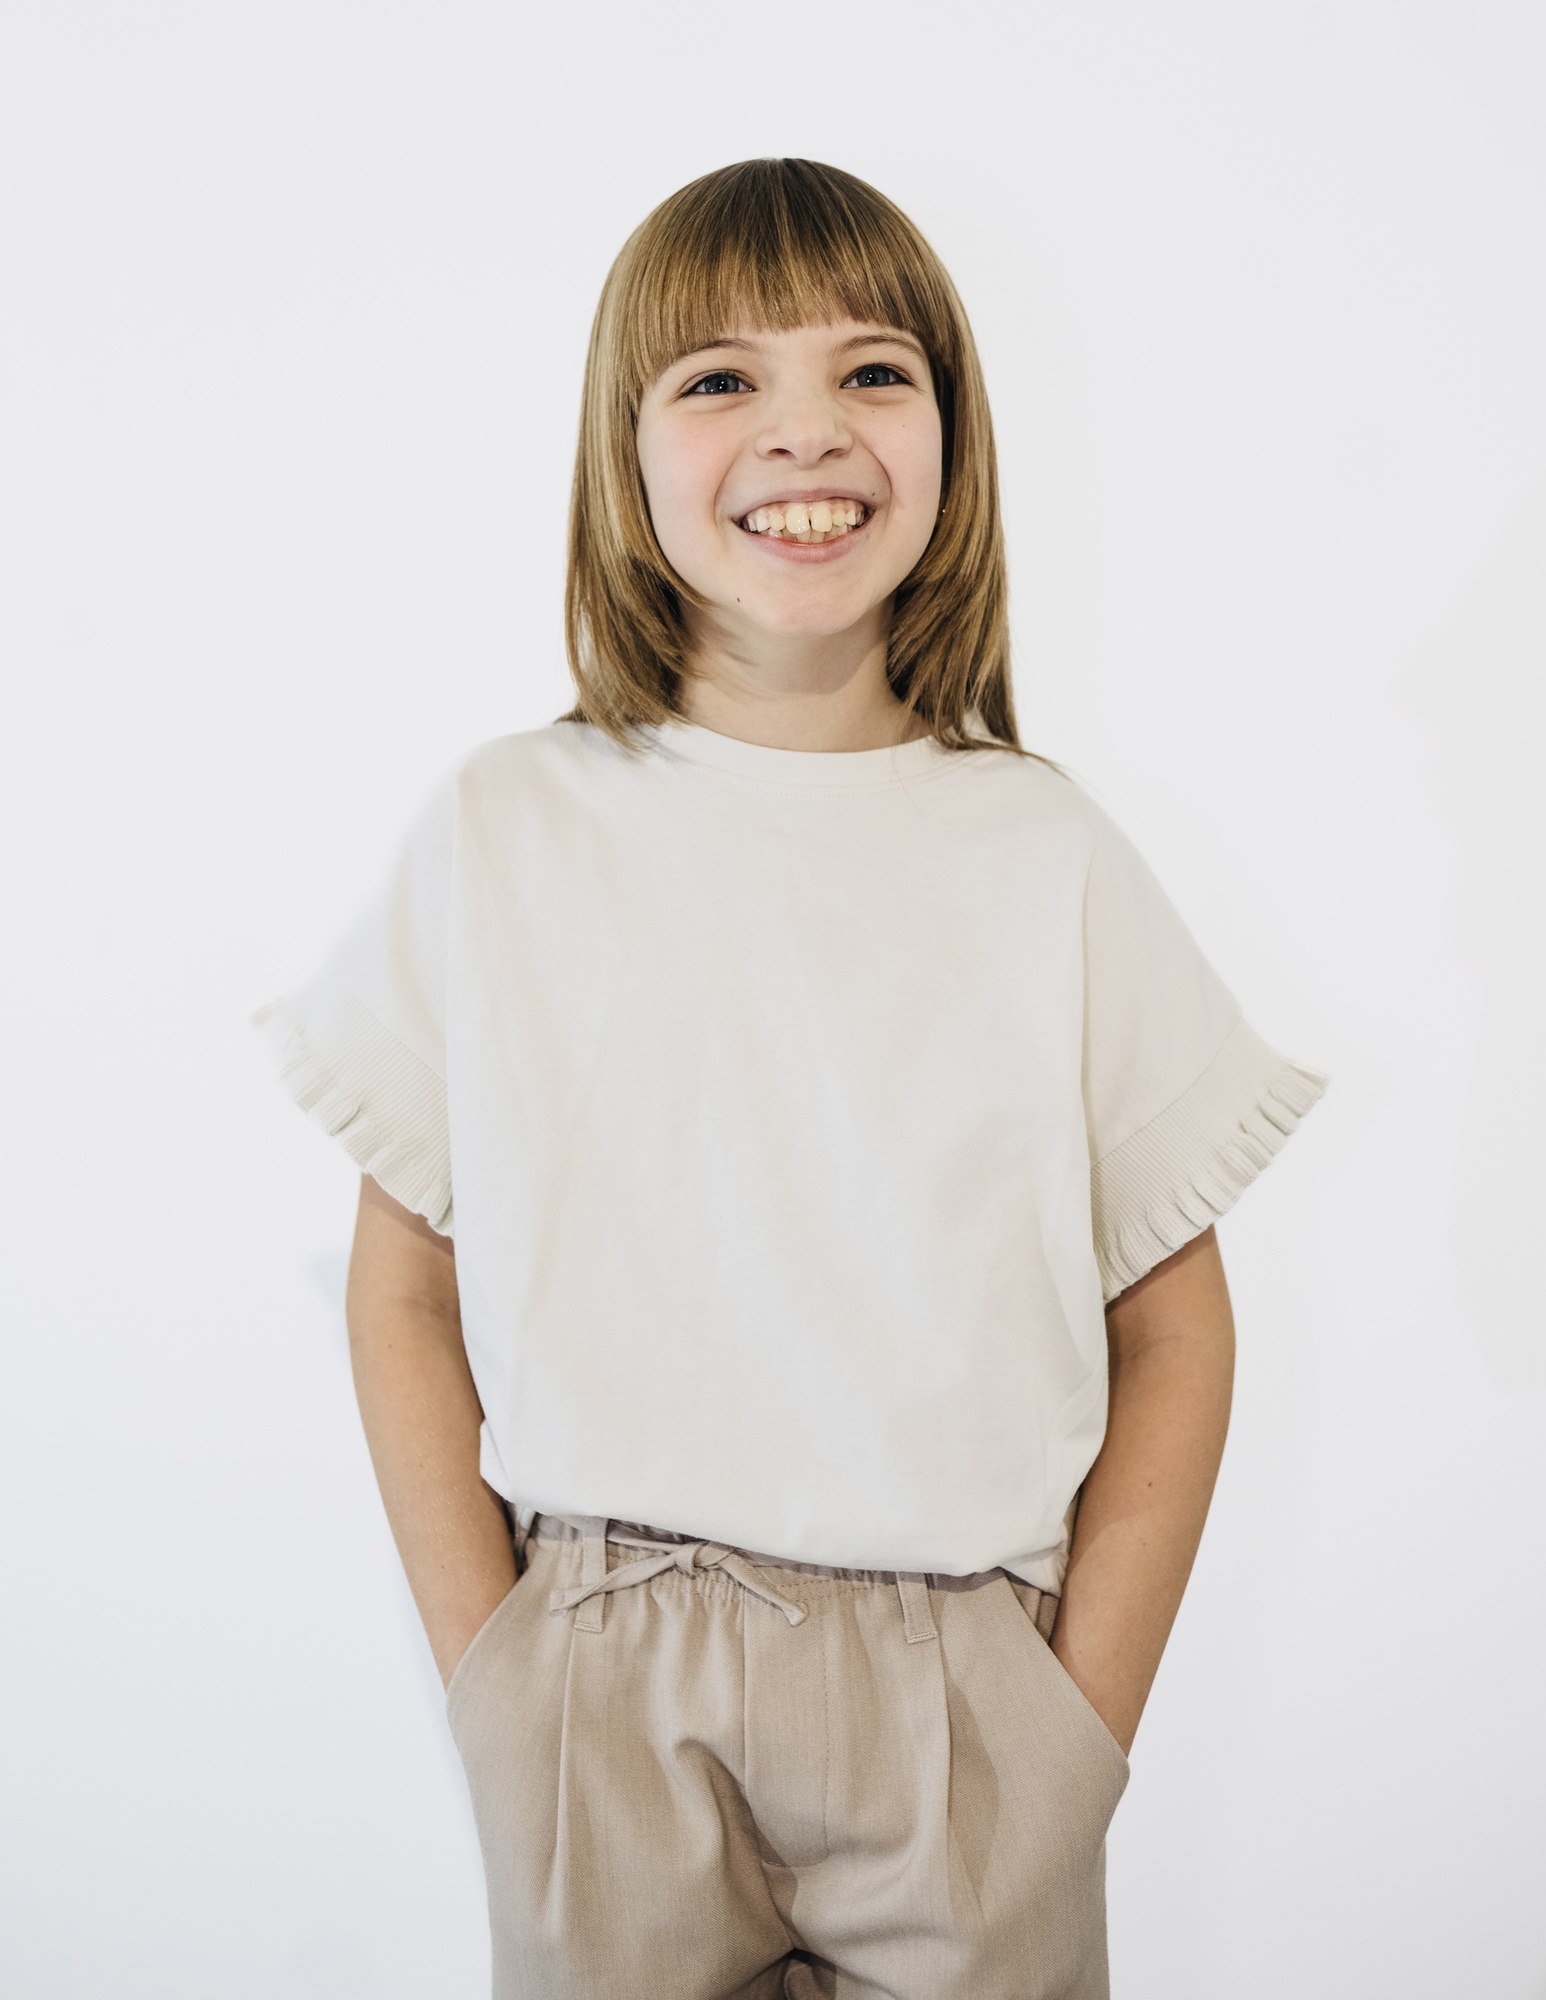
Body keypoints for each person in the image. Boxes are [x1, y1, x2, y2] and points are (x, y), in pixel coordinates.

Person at [258, 158, 1325, 2000]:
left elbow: (1172, 1321)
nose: (804, 431)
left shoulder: (1046, 855)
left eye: (872, 372)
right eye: (720, 379)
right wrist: (496, 1677)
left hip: (968, 1691)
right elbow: (406, 1283)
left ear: (951, 433)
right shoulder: (506, 832)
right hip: (599, 1666)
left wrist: (1072, 1732)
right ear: (624, 449)